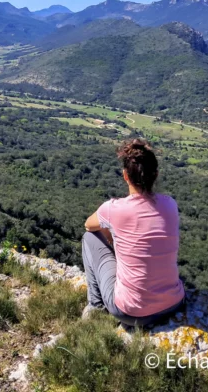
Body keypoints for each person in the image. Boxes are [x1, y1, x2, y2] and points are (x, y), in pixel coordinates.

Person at [82, 138, 185, 328]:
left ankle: (96, 306)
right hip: (174, 304)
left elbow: (89, 225)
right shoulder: (170, 204)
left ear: (125, 176)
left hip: (130, 312)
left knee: (89, 238)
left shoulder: (114, 209)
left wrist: (111, 234)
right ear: (156, 174)